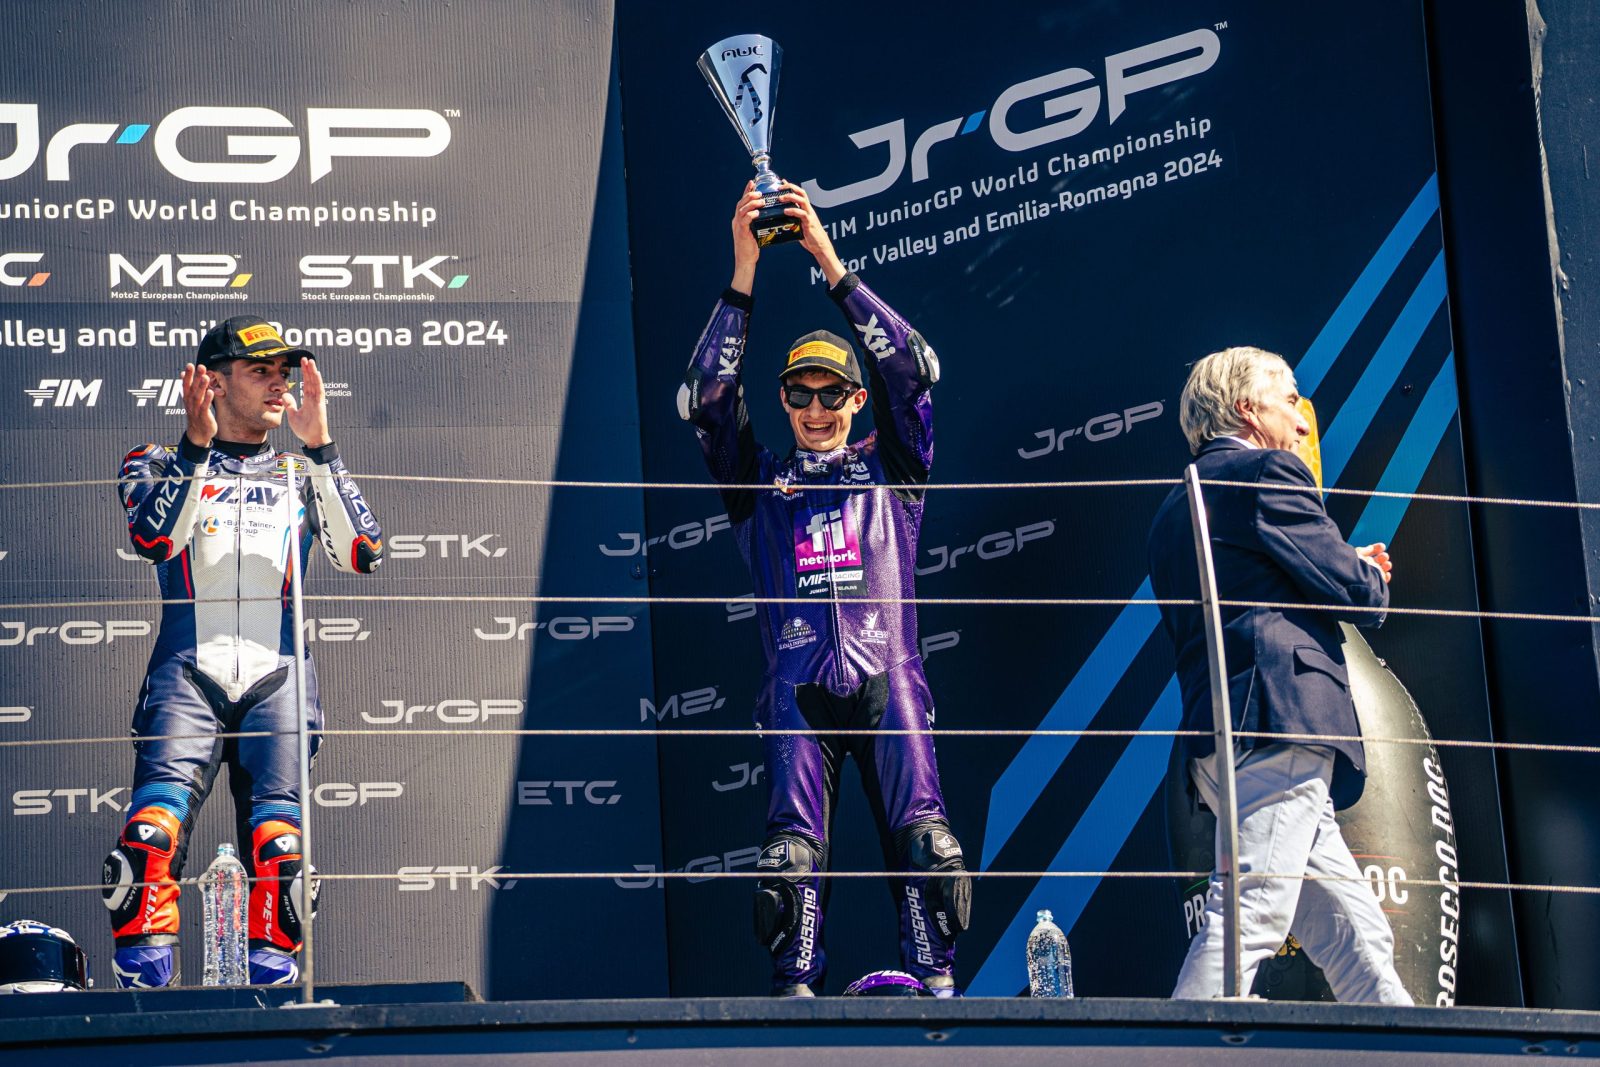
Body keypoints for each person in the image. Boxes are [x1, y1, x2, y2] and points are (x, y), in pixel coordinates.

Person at [678, 182, 971, 997]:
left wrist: (827, 260)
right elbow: (705, 399)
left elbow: (911, 368)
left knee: (932, 853)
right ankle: (796, 1008)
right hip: (797, 690)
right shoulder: (757, 481)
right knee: (787, 865)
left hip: (891, 683)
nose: (816, 408)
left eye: (832, 392)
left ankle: (940, 1002)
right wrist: (744, 269)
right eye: (800, 392)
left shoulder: (895, 466)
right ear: (782, 398)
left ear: (855, 398)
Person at [102, 316, 384, 988]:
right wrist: (196, 448)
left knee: (282, 850)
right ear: (214, 381)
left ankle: (273, 998)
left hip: (278, 677)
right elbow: (154, 541)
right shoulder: (154, 461)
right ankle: (143, 996)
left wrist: (321, 447)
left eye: (284, 372)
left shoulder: (299, 470)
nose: (279, 384)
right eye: (261, 371)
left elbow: (363, 552)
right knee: (150, 838)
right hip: (187, 673)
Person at [1147, 346, 1411, 1004]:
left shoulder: (1171, 510)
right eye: (1290, 399)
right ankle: (1181, 1046)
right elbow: (1354, 593)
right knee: (1252, 911)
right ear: (1246, 407)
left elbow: (1251, 593)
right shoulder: (1268, 472)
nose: (1300, 420)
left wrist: (1335, 562)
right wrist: (1365, 571)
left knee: (1358, 936)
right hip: (1278, 720)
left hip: (1221, 737)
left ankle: (1412, 1045)